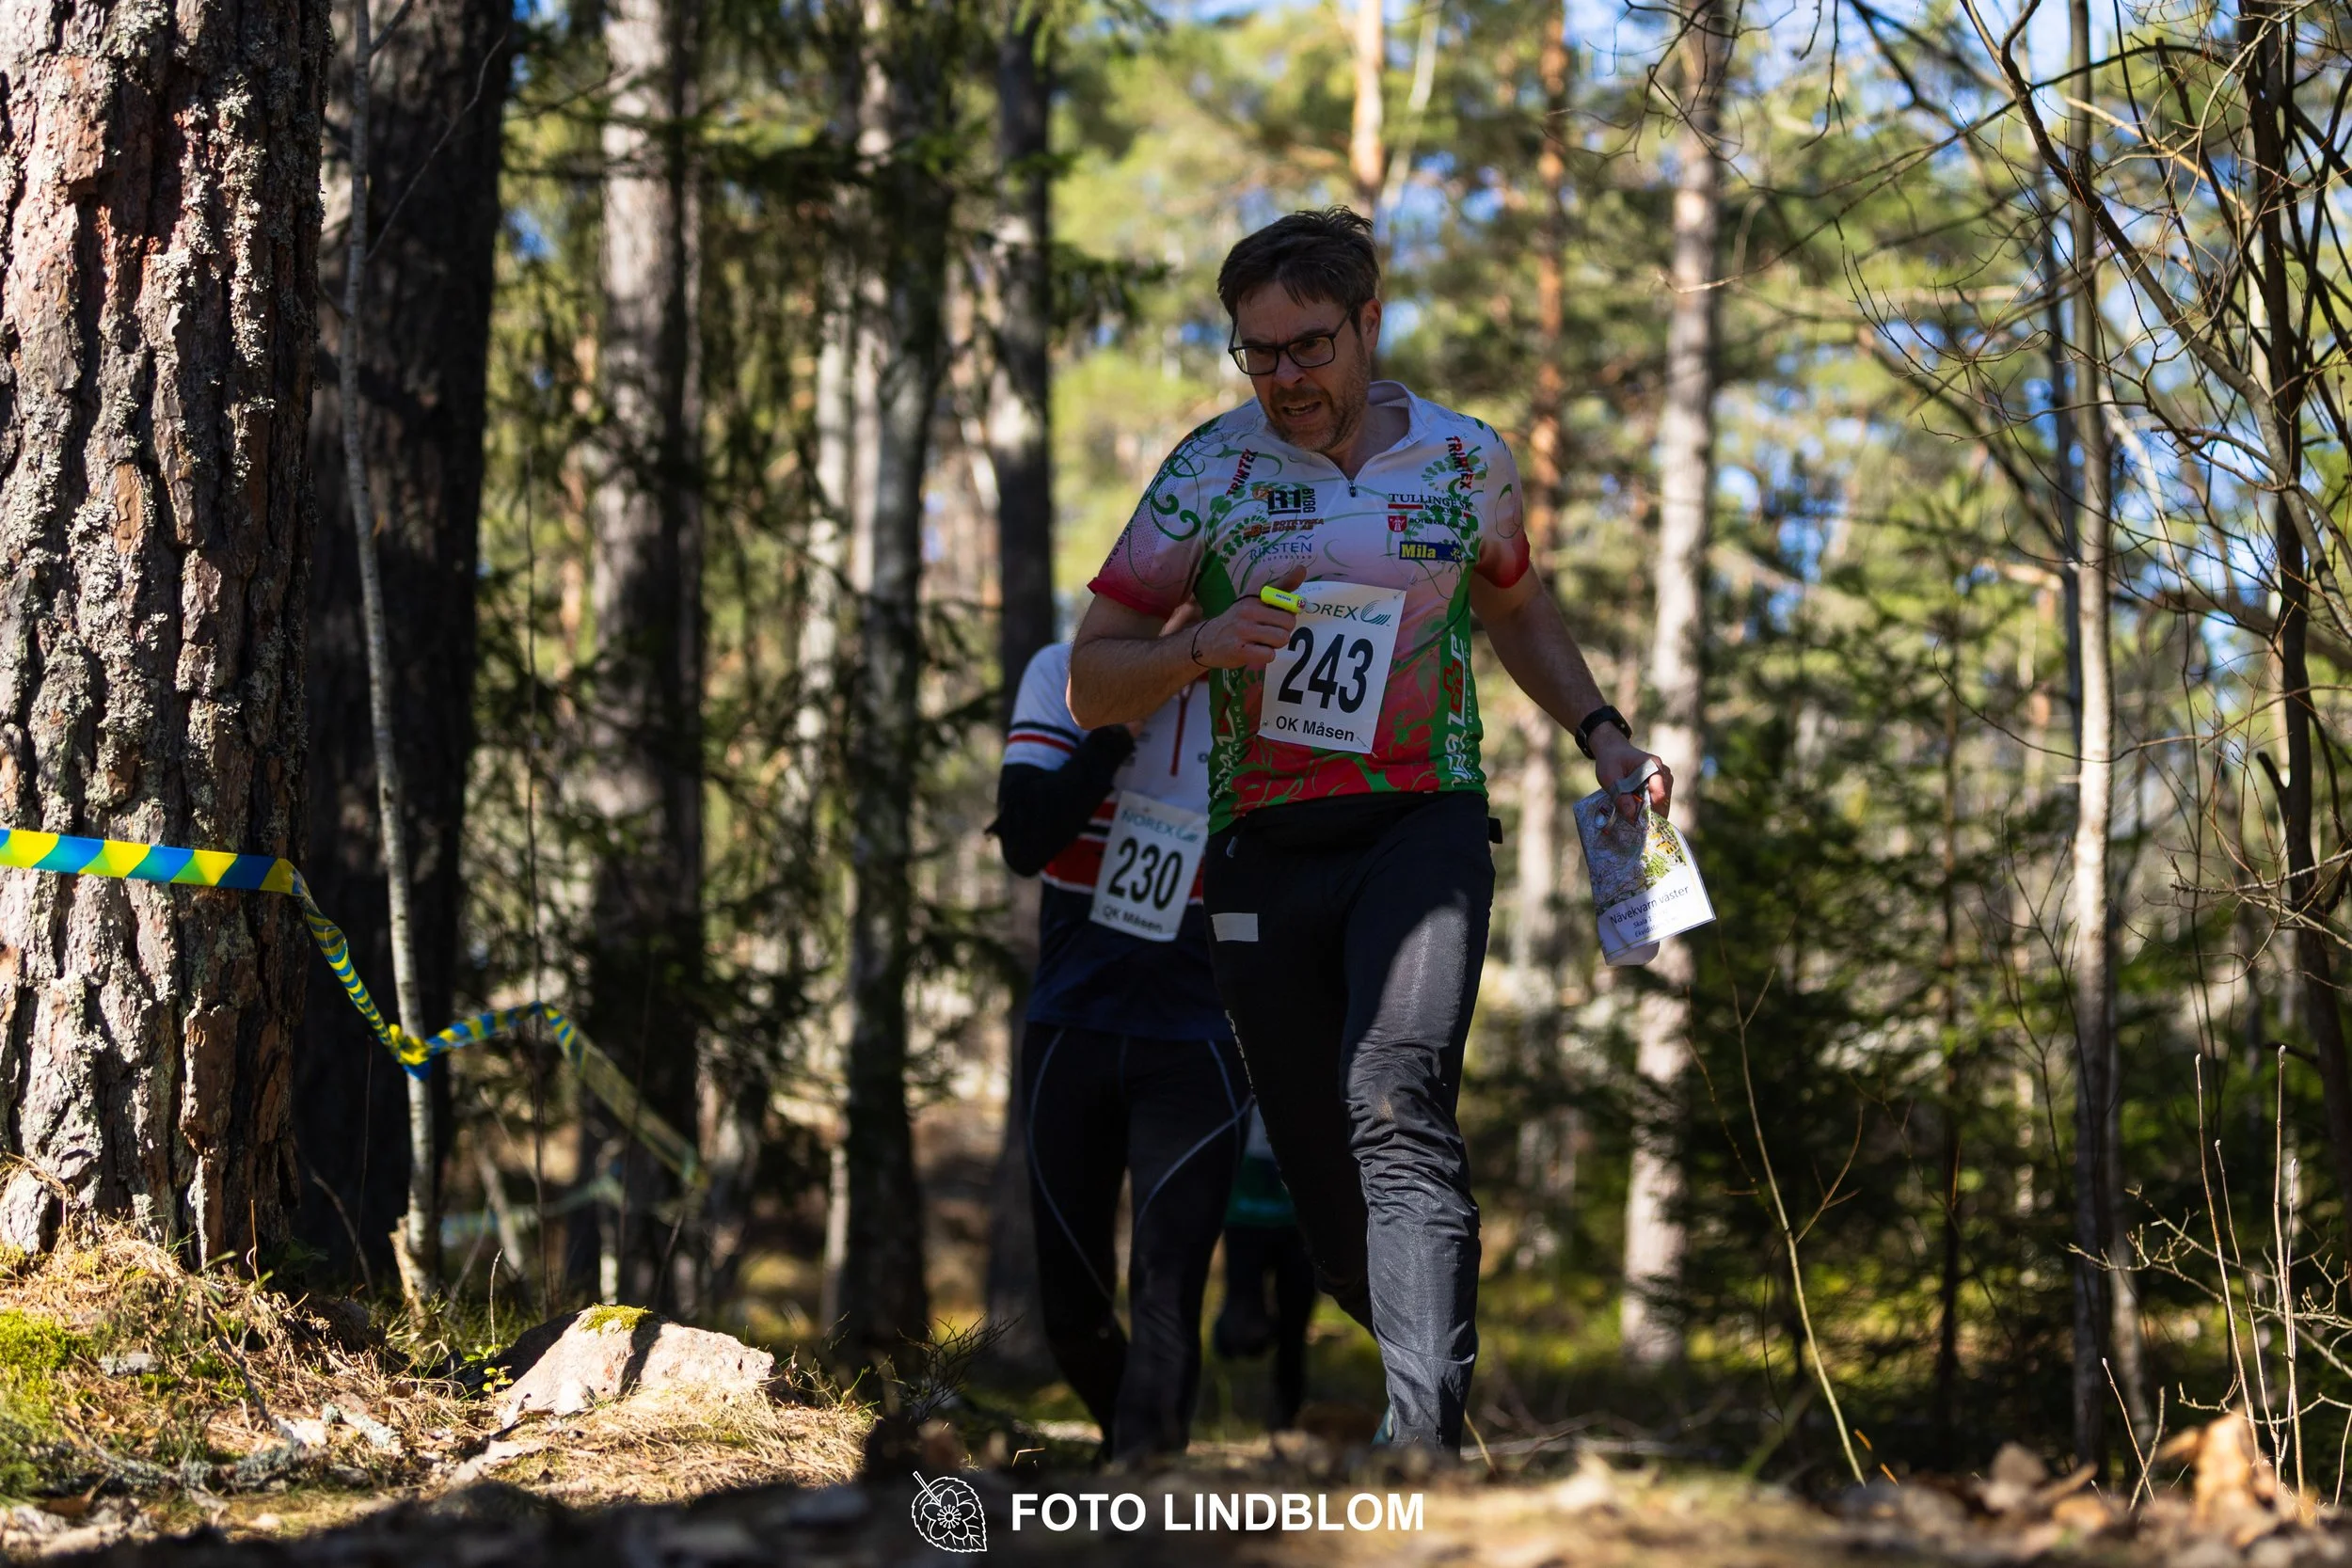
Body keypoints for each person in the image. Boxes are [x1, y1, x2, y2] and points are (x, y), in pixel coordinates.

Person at [1066, 206, 1670, 1452]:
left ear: (1367, 324)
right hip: (1260, 852)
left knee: (1396, 1097)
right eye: (1260, 351)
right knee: (1321, 1178)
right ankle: (1410, 1361)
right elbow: (1093, 678)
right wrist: (1200, 645)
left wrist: (1602, 729)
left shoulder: (1463, 460)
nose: (1286, 377)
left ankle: (1423, 1441)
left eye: (1310, 345)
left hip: (1422, 828)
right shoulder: (1209, 470)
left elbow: (1517, 610)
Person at [993, 623, 1250, 1462]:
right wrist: (1115, 720)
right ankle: (1133, 1452)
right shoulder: (1061, 672)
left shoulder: (1256, 688)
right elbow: (1025, 840)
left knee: (1167, 1291)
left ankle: (1145, 1481)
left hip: (1200, 1033)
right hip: (1074, 1024)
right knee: (1072, 1313)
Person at [1212, 1105, 1317, 1431]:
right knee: (1243, 1334)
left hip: (1299, 1223)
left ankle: (1285, 1422)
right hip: (1244, 1219)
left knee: (1294, 1331)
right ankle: (1231, 1329)